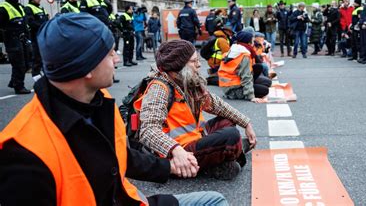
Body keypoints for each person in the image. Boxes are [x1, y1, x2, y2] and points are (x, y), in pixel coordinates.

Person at [0, 13, 228, 206]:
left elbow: (119, 156)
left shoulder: (99, 99)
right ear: (86, 66)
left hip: (127, 200)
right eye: (110, 53)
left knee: (214, 200)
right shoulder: (24, 155)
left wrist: (168, 166)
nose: (117, 59)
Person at [137, 39, 257, 181]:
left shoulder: (187, 81)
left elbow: (217, 105)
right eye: (194, 61)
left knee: (227, 121)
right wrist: (175, 149)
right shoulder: (159, 88)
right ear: (179, 65)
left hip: (194, 138)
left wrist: (246, 123)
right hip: (177, 152)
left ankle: (221, 160)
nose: (199, 65)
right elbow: (147, 130)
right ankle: (220, 160)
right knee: (231, 136)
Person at [79, 0, 119, 83]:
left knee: (108, 53)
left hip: (106, 30)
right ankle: (94, 76)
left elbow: (109, 11)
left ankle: (110, 76)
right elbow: (83, 16)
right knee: (96, 55)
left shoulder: (104, 0)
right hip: (93, 32)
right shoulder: (85, 0)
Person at [219, 31, 271, 101]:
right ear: (248, 42)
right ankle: (243, 92)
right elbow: (246, 76)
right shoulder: (244, 54)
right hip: (233, 88)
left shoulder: (235, 48)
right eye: (252, 40)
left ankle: (250, 87)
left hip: (229, 84)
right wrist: (251, 96)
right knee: (264, 90)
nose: (253, 42)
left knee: (264, 77)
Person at [0, 0, 31, 94]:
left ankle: (14, 81)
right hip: (12, 40)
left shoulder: (19, 6)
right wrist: (6, 37)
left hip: (22, 39)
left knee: (27, 64)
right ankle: (19, 86)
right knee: (19, 64)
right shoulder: (3, 8)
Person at [24, 0, 49, 77]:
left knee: (44, 58)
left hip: (43, 36)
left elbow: (46, 20)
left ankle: (45, 79)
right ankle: (36, 78)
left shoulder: (41, 8)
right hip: (35, 37)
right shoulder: (28, 8)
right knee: (37, 59)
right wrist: (43, 25)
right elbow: (31, 23)